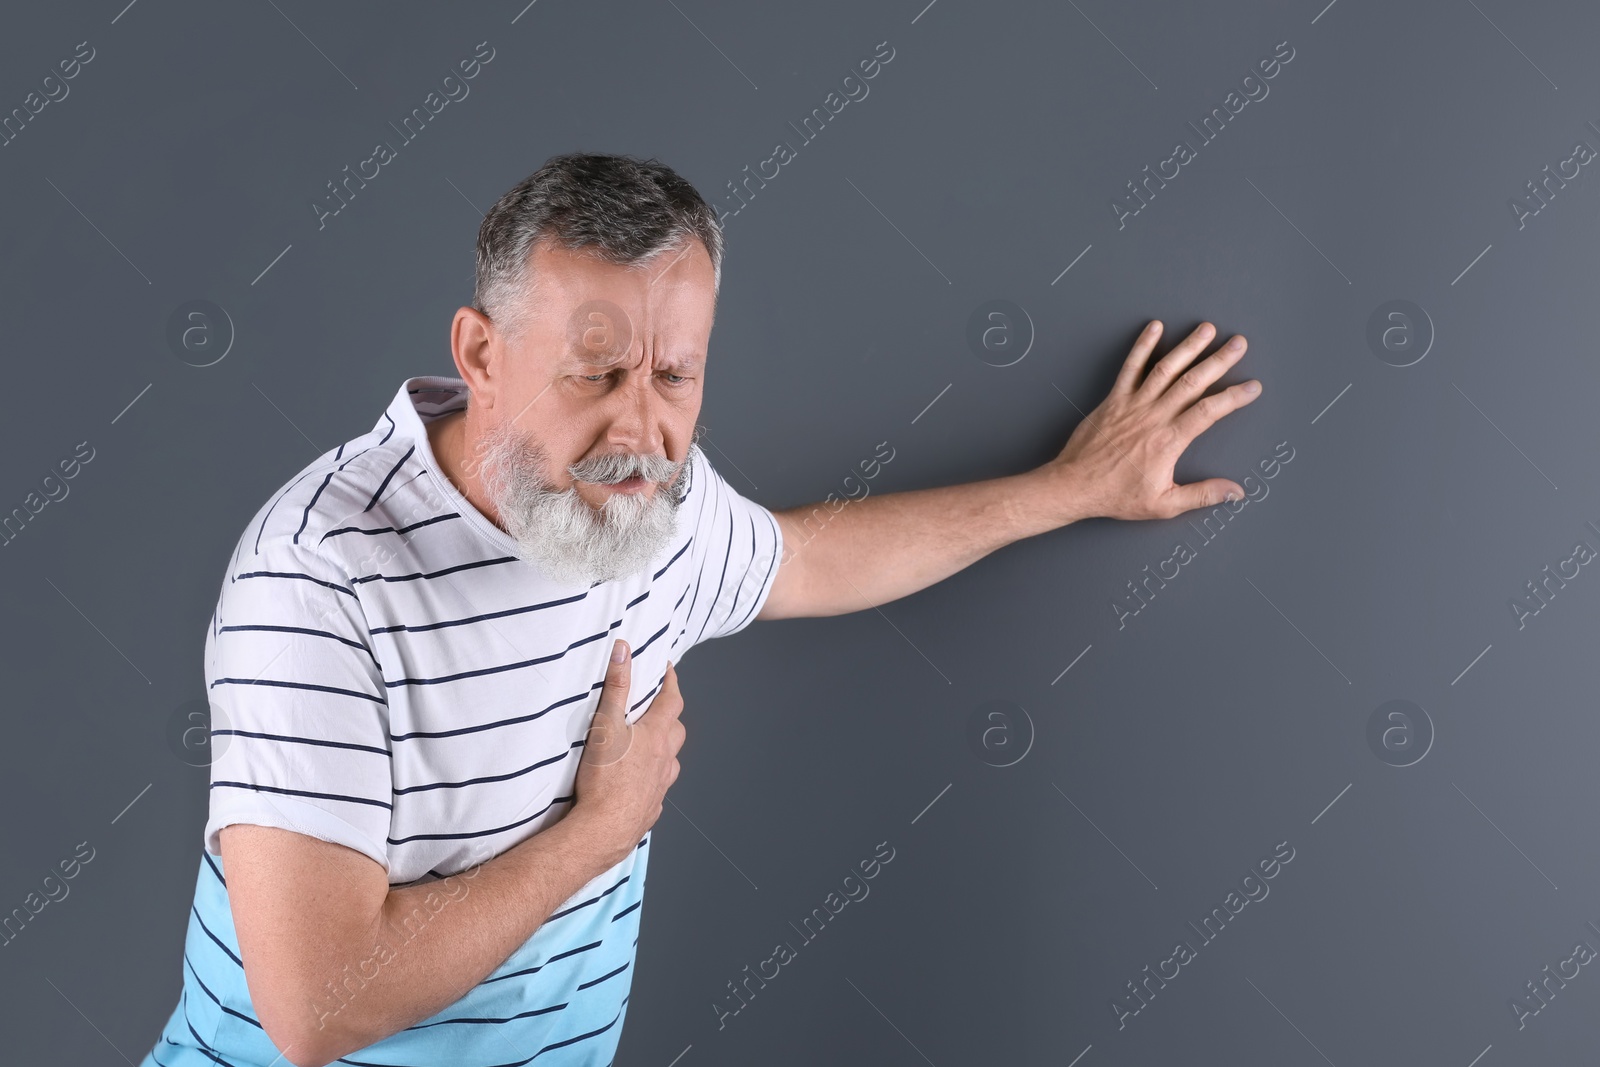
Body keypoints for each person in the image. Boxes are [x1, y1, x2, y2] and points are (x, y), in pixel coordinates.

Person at [138, 151, 1260, 1067]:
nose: (641, 429)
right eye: (594, 373)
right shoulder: (319, 575)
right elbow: (315, 1008)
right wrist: (598, 832)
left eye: (674, 376)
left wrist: (1066, 490)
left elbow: (810, 561)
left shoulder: (652, 510)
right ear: (481, 352)